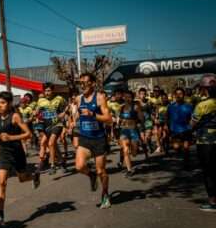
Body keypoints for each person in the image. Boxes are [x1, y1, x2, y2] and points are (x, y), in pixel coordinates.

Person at [0, 91, 40, 224]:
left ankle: (34, 176)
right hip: (5, 154)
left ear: (10, 103)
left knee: (22, 179)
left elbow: (28, 134)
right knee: (2, 182)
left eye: (3, 103)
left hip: (17, 152)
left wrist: (11, 137)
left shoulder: (15, 116)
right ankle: (0, 215)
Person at [74, 73, 113, 209]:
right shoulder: (78, 99)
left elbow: (109, 119)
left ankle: (105, 194)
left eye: (85, 82)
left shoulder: (100, 97)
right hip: (85, 138)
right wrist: (72, 123)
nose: (82, 85)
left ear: (92, 83)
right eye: (80, 83)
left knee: (101, 171)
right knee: (79, 166)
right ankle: (91, 176)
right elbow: (76, 113)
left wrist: (93, 115)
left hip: (98, 139)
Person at [191, 74, 216, 212]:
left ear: (204, 89)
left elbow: (192, 123)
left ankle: (213, 202)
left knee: (209, 172)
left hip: (206, 142)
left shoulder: (202, 105)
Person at [35, 83, 66, 175]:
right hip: (46, 126)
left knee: (51, 143)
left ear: (52, 90)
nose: (47, 92)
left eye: (49, 90)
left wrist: (64, 113)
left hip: (57, 124)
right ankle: (61, 162)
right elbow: (37, 111)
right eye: (46, 91)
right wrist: (36, 114)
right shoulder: (41, 101)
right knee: (53, 146)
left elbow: (67, 106)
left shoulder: (59, 99)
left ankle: (53, 165)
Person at [118, 90, 144, 177]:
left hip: (133, 130)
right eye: (125, 97)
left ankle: (137, 147)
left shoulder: (136, 107)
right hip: (124, 131)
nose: (127, 98)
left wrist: (139, 119)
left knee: (134, 153)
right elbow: (119, 118)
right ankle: (129, 170)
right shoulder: (121, 108)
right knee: (125, 150)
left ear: (132, 98)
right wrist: (118, 122)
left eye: (129, 97)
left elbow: (142, 119)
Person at [167, 87, 193, 169]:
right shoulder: (170, 106)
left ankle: (187, 164)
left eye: (180, 94)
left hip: (186, 129)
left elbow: (192, 118)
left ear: (183, 95)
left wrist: (192, 127)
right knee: (176, 147)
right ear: (174, 95)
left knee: (186, 149)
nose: (178, 95)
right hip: (174, 130)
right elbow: (167, 117)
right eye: (177, 94)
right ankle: (181, 153)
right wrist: (167, 127)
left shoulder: (189, 106)